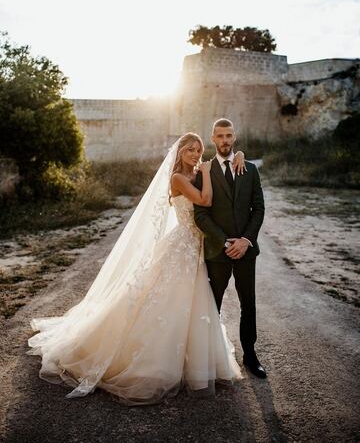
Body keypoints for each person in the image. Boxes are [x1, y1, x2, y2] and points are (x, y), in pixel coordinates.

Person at [27, 132, 246, 405]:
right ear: (179, 153)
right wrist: (205, 170)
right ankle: (150, 363)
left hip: (197, 246)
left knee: (194, 304)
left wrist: (238, 155)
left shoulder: (199, 173)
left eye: (198, 150)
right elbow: (204, 201)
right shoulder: (179, 178)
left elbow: (222, 168)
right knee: (164, 299)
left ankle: (195, 364)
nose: (195, 154)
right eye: (190, 150)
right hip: (182, 245)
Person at [194, 119, 266, 378]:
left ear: (234, 138)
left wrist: (246, 240)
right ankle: (210, 355)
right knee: (213, 303)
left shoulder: (250, 169)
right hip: (218, 251)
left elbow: (258, 208)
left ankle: (250, 354)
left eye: (229, 135)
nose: (225, 140)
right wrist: (225, 241)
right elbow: (201, 215)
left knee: (249, 303)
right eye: (220, 136)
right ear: (213, 138)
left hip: (246, 250)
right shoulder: (203, 171)